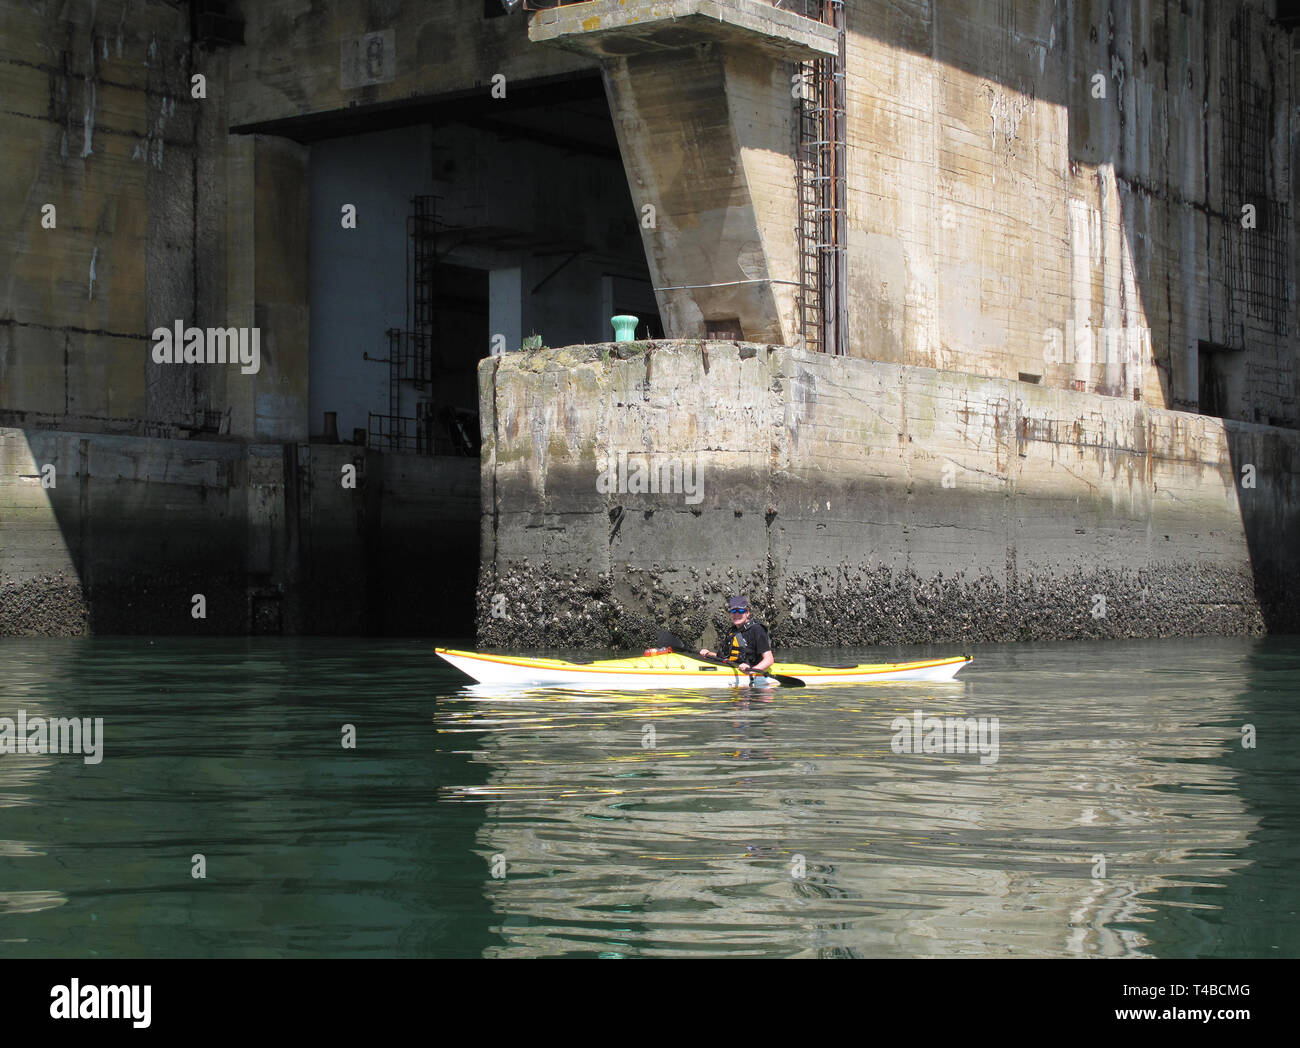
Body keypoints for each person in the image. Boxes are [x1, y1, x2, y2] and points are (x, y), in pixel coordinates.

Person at [699, 595, 775, 678]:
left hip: (750, 671)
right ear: (729, 614)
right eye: (733, 611)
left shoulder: (757, 630)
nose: (736, 614)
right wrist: (708, 654)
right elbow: (726, 656)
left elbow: (769, 659)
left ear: (747, 613)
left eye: (741, 611)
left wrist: (753, 670)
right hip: (733, 667)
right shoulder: (732, 631)